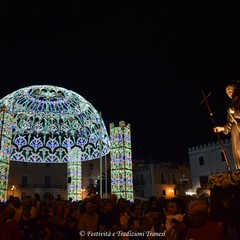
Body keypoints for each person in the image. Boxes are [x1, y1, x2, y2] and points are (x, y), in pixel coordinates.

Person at [214, 80, 240, 169]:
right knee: (237, 151)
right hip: (235, 131)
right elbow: (230, 122)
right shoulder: (230, 106)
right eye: (227, 92)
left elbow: (236, 114)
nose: (229, 93)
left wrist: (235, 112)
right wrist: (222, 128)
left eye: (230, 90)